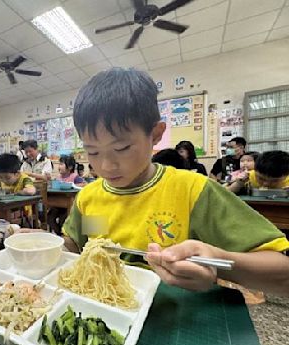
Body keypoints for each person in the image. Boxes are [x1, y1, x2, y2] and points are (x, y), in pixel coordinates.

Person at [61, 67, 289, 295]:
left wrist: (219, 260)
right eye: (92, 152)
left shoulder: (192, 191)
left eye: (122, 148)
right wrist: (35, 245)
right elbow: (82, 244)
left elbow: (281, 270)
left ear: (156, 134)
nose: (106, 166)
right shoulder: (91, 197)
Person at [47, 155, 85, 235]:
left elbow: (84, 184)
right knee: (49, 217)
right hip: (57, 204)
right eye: (59, 164)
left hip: (70, 205)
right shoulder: (58, 177)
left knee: (63, 220)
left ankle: (64, 235)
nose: (59, 167)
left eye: (61, 164)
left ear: (70, 167)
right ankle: (59, 234)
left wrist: (72, 185)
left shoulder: (75, 177)